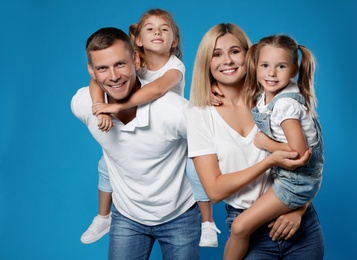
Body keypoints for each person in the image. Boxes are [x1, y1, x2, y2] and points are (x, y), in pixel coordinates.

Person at [80, 9, 220, 247]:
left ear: (174, 40)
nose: (157, 33)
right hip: (143, 137)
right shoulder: (133, 64)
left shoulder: (174, 67)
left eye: (165, 29)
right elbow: (97, 79)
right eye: (150, 29)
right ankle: (104, 216)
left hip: (177, 135)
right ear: (138, 41)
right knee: (106, 164)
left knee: (196, 170)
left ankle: (207, 222)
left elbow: (154, 91)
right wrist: (99, 104)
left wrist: (116, 106)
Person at [187, 23, 324, 259]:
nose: (227, 60)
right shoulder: (200, 113)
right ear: (206, 63)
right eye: (216, 54)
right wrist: (269, 160)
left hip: (298, 226)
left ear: (249, 55)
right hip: (249, 231)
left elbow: (314, 156)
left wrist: (299, 210)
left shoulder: (270, 98)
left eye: (235, 51)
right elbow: (215, 191)